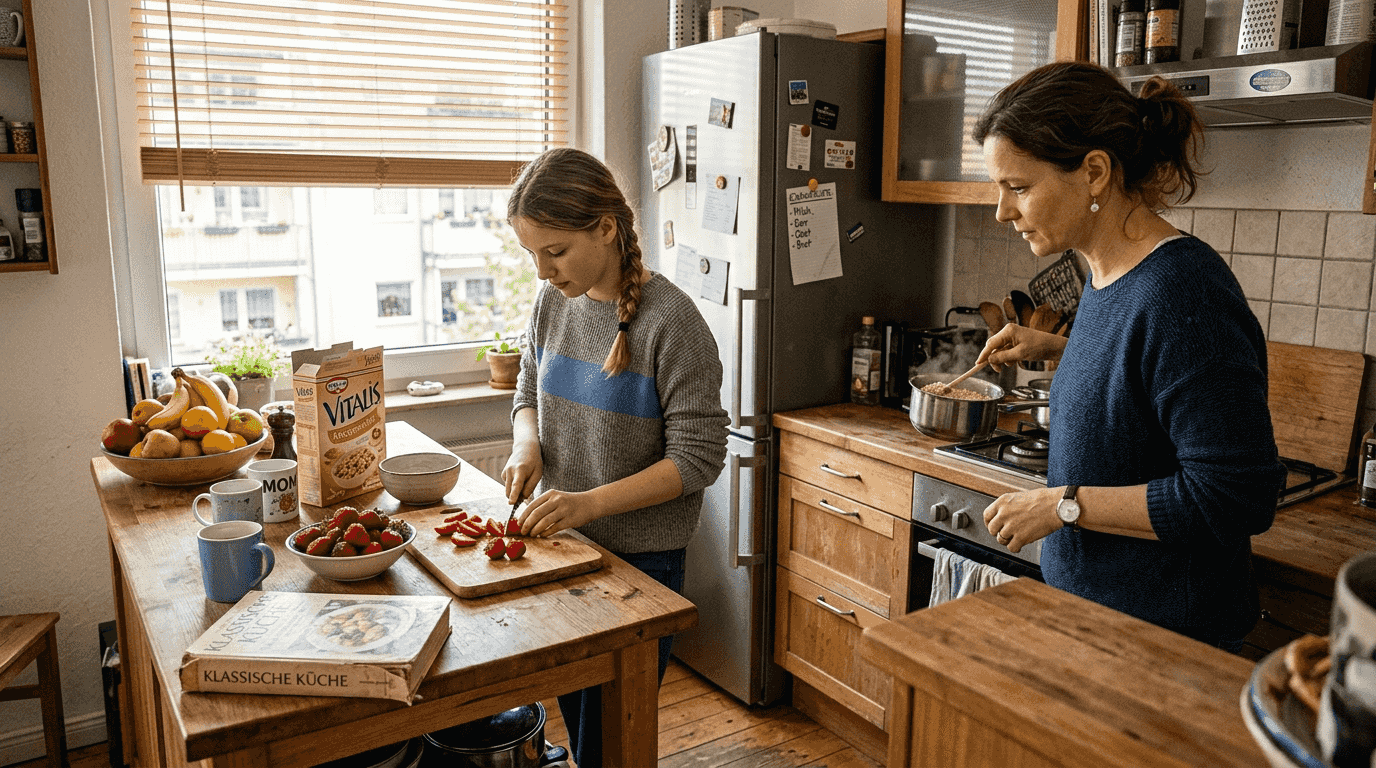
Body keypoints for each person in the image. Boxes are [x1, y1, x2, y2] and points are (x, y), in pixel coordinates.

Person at [970, 61, 1285, 652]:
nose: (1002, 212)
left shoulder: (1185, 292)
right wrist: (1063, 349)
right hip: (1096, 622)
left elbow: (1235, 495)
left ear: (1093, 172)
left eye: (1018, 187)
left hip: (1165, 643)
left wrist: (1065, 506)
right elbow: (1143, 381)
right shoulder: (1107, 271)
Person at [502, 147, 729, 767]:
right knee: (581, 725)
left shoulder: (673, 323)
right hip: (566, 548)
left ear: (605, 228)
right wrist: (529, 444)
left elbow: (699, 458)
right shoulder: (555, 302)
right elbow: (528, 387)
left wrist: (588, 503)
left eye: (556, 251)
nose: (544, 271)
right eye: (533, 256)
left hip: (640, 567)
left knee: (610, 740)